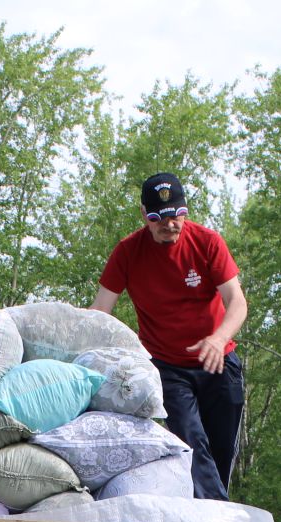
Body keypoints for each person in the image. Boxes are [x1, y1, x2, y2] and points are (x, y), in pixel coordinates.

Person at [90, 172, 248, 501]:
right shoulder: (128, 253)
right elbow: (98, 313)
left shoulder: (207, 242)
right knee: (191, 444)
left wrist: (218, 339)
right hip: (168, 368)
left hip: (218, 361)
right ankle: (218, 520)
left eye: (176, 215)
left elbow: (237, 302)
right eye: (158, 218)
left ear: (184, 211)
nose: (169, 225)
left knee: (219, 455)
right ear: (144, 216)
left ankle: (207, 520)